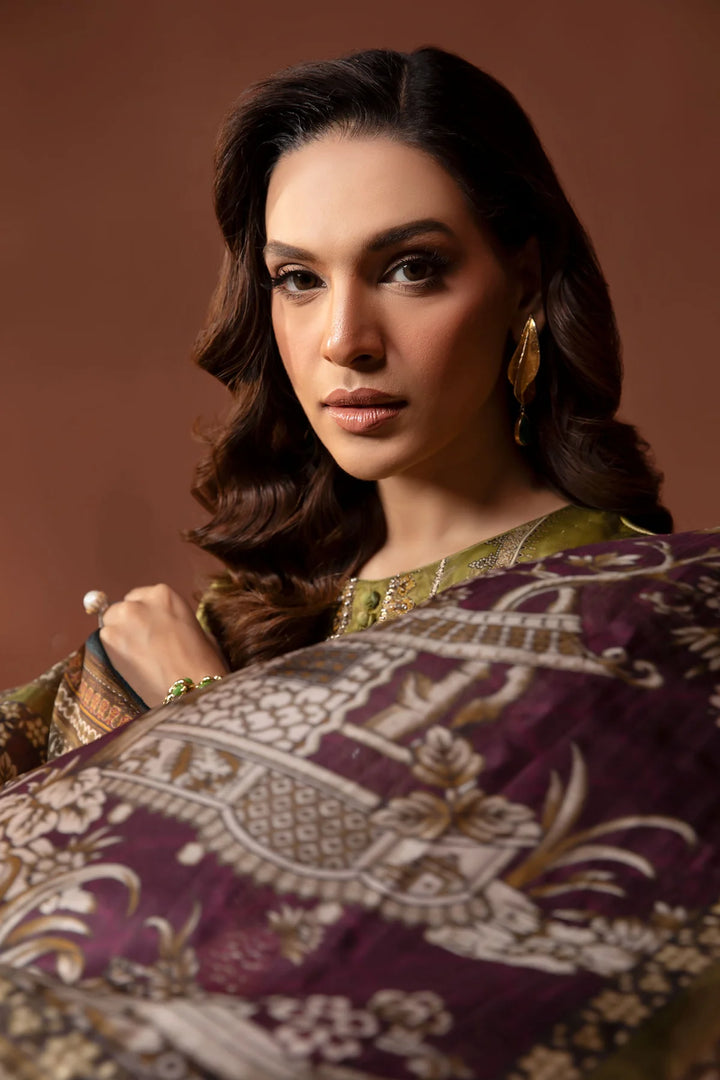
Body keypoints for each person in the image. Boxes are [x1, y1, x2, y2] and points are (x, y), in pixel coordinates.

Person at [2, 45, 670, 758]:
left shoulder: (621, 598)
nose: (344, 341)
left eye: (411, 269)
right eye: (299, 279)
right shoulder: (259, 603)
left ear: (524, 283)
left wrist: (195, 700)